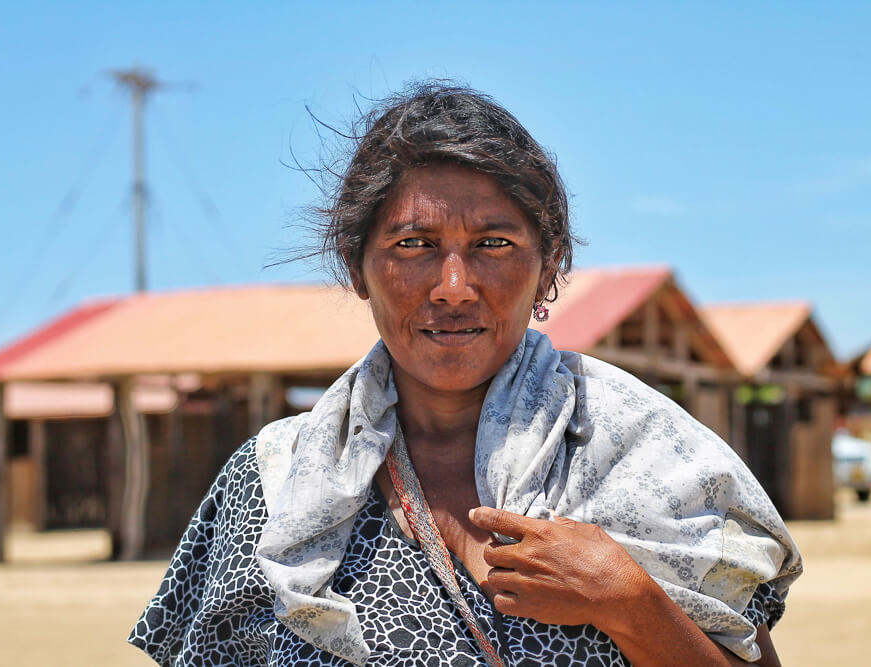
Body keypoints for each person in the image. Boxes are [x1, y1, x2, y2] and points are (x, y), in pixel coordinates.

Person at [129, 83, 800, 666]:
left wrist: (628, 600)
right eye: (413, 245)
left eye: (494, 244)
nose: (454, 286)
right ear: (355, 263)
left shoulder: (646, 458)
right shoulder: (274, 483)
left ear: (549, 264)